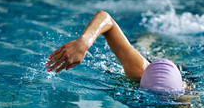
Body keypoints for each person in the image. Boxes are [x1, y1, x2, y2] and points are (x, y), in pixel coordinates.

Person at [46, 10, 184, 93]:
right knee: (144, 45)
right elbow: (105, 18)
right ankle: (151, 35)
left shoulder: (187, 101)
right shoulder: (138, 72)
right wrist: (84, 42)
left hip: (177, 75)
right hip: (148, 67)